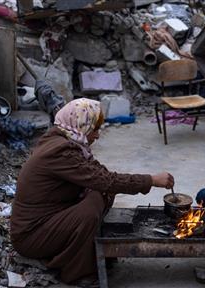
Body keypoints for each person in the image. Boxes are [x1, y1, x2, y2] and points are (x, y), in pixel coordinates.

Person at [10, 98, 174, 286]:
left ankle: (87, 250)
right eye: (94, 129)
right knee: (91, 208)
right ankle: (77, 273)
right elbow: (105, 180)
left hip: (48, 220)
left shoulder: (64, 139)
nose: (97, 135)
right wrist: (151, 180)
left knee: (100, 194)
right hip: (31, 236)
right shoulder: (60, 150)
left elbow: (99, 174)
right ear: (81, 125)